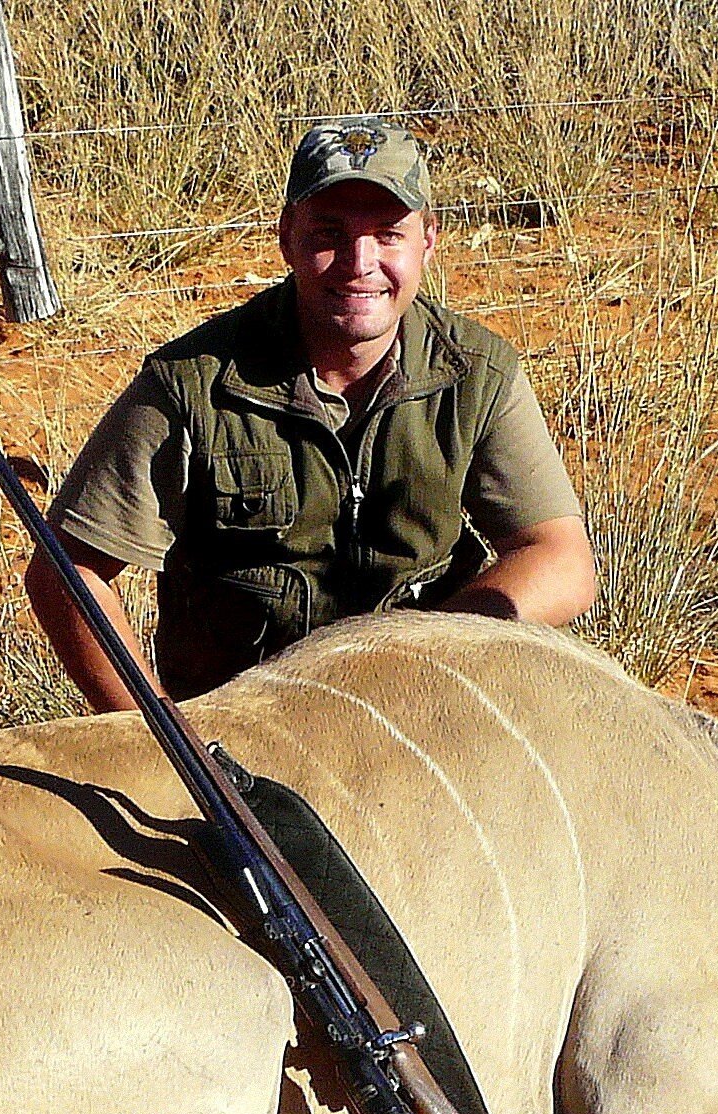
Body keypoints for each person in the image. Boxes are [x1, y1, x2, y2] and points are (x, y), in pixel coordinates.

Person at [29, 118, 595, 708]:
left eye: (388, 234)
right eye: (329, 233)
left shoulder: (477, 372)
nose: (360, 262)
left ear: (428, 239)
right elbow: (65, 573)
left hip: (419, 712)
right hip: (246, 727)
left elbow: (560, 559)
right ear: (286, 237)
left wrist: (423, 663)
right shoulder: (191, 382)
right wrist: (163, 734)